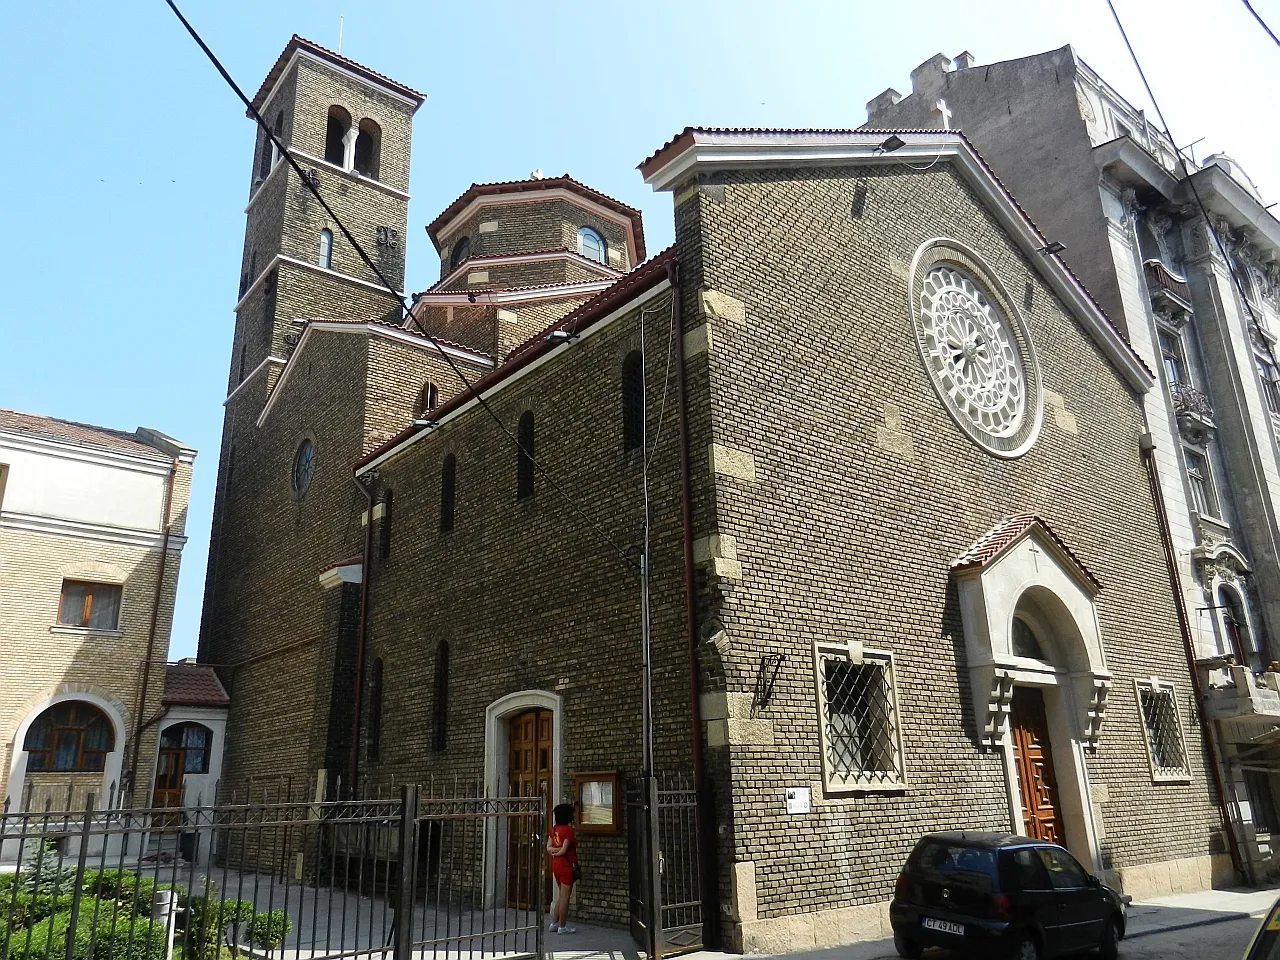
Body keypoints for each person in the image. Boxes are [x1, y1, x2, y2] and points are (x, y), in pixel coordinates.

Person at [547, 803, 578, 934]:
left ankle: (554, 923)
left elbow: (548, 847)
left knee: (561, 895)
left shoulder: (553, 829)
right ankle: (562, 926)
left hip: (556, 865)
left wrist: (554, 852)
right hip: (566, 865)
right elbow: (565, 849)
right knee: (566, 897)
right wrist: (559, 851)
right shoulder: (568, 830)